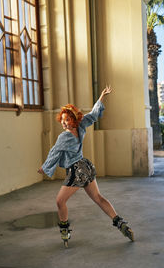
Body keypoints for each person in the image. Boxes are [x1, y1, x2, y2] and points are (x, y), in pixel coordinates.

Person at [38, 86, 134, 242]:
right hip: (86, 166)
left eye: (67, 119)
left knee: (60, 201)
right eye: (62, 121)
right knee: (98, 198)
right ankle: (120, 223)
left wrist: (45, 167)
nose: (64, 123)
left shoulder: (64, 137)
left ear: (74, 119)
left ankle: (64, 231)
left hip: (77, 170)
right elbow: (94, 114)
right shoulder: (81, 126)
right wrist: (102, 96)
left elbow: (54, 152)